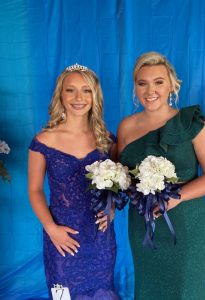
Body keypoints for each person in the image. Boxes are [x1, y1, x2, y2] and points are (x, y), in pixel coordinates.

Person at [117, 52, 205, 300]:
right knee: (147, 290)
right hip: (143, 227)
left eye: (158, 82)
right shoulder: (126, 127)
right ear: (135, 86)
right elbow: (120, 175)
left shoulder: (192, 125)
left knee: (185, 291)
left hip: (187, 226)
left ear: (171, 85)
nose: (150, 90)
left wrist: (175, 197)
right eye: (142, 83)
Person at [28, 63, 119, 299]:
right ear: (61, 94)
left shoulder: (107, 139)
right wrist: (51, 229)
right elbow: (35, 190)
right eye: (71, 90)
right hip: (61, 237)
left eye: (86, 90)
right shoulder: (43, 140)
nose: (79, 97)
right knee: (62, 294)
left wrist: (111, 210)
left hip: (100, 240)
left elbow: (116, 186)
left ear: (94, 95)